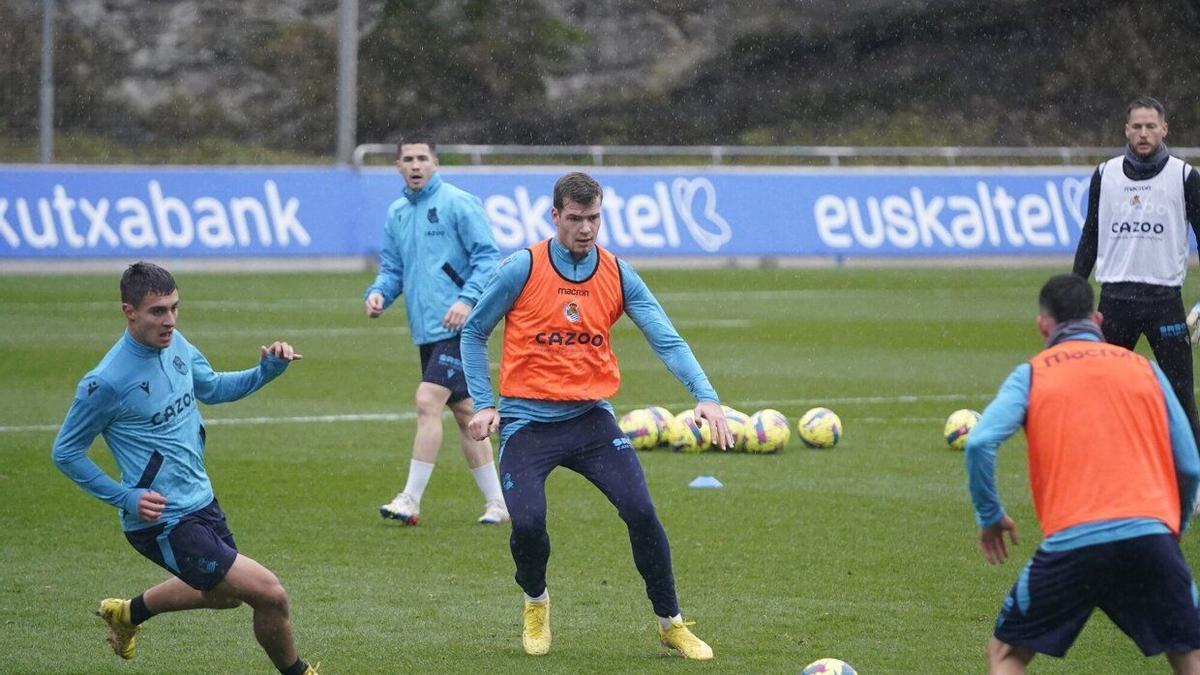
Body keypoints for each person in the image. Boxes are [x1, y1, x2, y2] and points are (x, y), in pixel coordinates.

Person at [461, 171, 734, 660]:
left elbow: (665, 338)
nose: (585, 229)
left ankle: (670, 622)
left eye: (594, 218)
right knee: (527, 526)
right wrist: (483, 403)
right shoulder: (521, 268)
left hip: (591, 422)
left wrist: (705, 394)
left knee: (642, 512)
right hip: (527, 424)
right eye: (575, 218)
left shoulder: (617, 273)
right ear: (555, 216)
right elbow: (473, 331)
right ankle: (536, 602)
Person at [51, 262, 316, 674]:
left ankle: (129, 613)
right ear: (129, 311)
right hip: (162, 520)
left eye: (175, 307)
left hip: (201, 500)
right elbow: (65, 452)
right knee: (270, 593)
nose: (169, 320)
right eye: (158, 311)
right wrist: (126, 497)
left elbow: (211, 387)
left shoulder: (175, 344)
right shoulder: (105, 382)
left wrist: (266, 372)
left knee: (226, 596)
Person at [965, 273, 1200, 674]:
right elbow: (1191, 464)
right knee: (1188, 651)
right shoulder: (1145, 369)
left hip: (1073, 542)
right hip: (1150, 537)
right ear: (1098, 319)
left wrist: (990, 517)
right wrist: (1171, 527)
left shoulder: (1033, 374)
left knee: (1007, 654)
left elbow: (979, 442)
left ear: (1043, 324)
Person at [364, 135, 507, 526]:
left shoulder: (457, 203)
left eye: (422, 158)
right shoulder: (397, 212)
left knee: (428, 401)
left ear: (435, 163)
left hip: (462, 326)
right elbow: (393, 268)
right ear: (397, 166)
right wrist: (378, 294)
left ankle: (410, 498)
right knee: (466, 415)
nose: (415, 165)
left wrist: (466, 300)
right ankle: (500, 502)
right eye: (407, 159)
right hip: (427, 330)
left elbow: (488, 257)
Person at [1072, 95, 1200, 441]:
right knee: (1098, 395)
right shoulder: (1105, 173)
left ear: (1164, 129)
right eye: (1137, 127)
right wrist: (1074, 289)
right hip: (1114, 301)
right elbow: (1091, 234)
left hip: (1164, 302)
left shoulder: (1185, 176)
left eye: (1151, 126)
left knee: (1182, 398)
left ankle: (1196, 487)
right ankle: (1098, 473)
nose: (1144, 133)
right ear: (1126, 130)